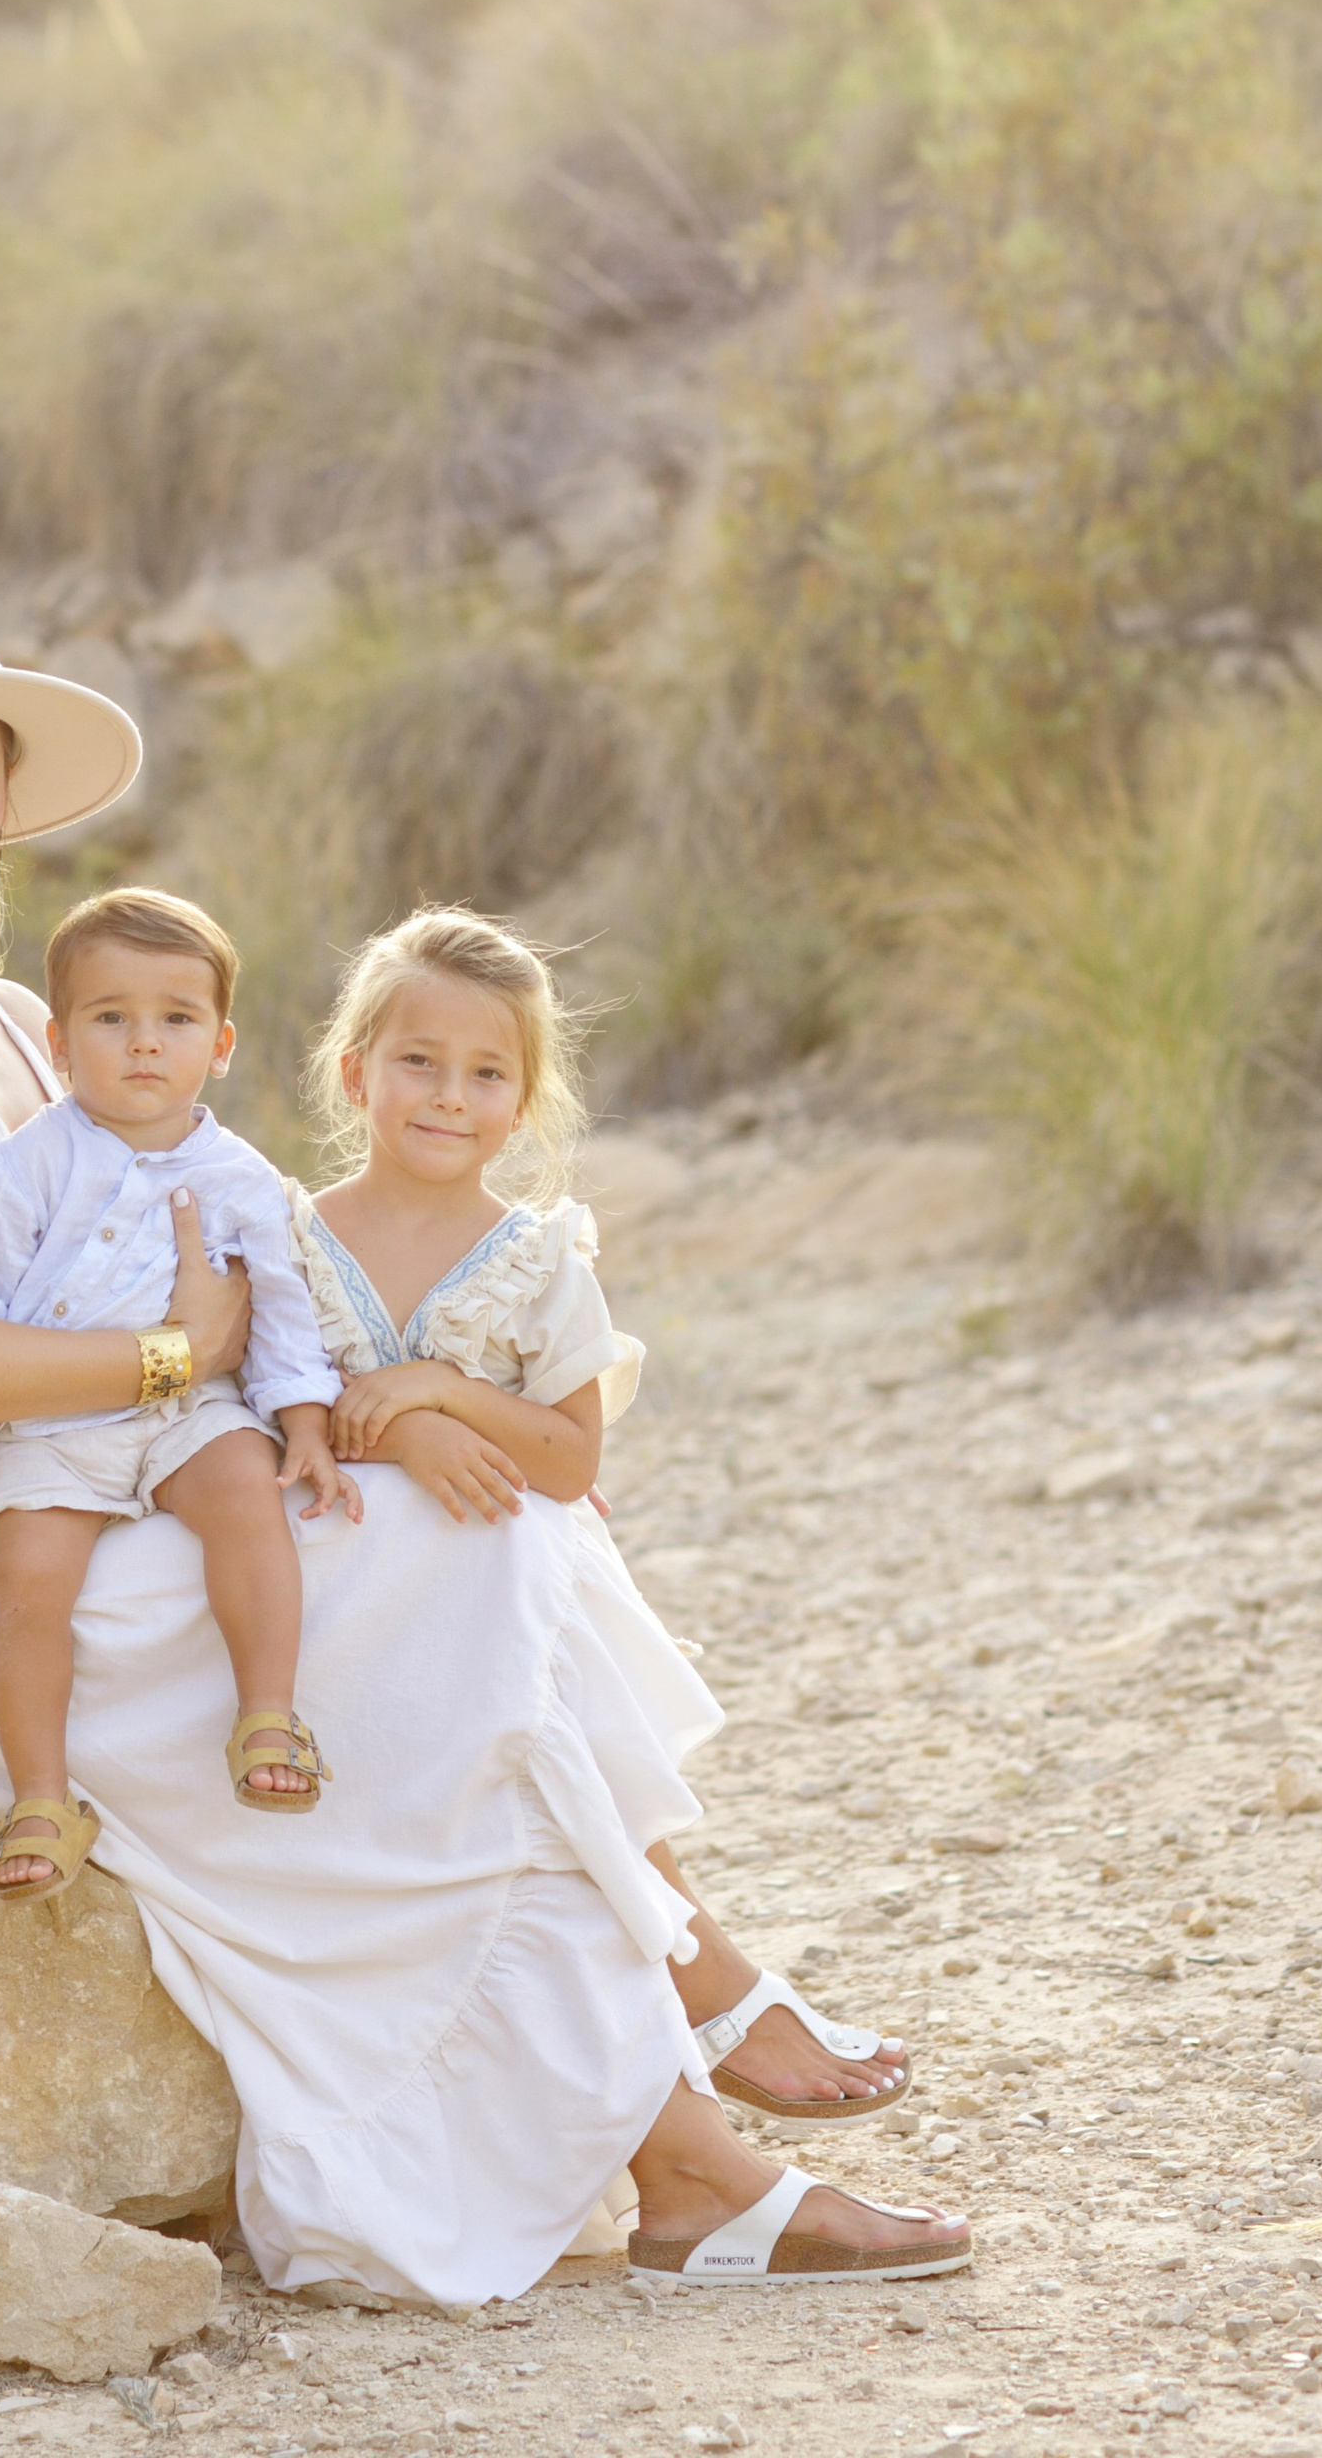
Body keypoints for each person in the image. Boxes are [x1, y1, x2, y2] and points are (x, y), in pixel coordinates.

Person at [0, 596, 967, 2304]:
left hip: (111, 1455)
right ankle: (692, 2079)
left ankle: (686, 2094)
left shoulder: (30, 1013)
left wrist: (325, 1391)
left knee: (479, 1532)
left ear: (7, 798)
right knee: (450, 1566)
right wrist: (183, 1353)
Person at [294, 904, 914, 2141]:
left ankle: (704, 1991)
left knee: (535, 1677)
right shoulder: (294, 1240)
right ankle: (714, 1992)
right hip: (337, 1562)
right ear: (354, 1070)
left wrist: (438, 1388)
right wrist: (403, 1432)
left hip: (489, 1554)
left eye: (486, 1074)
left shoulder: (532, 1258)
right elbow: (274, 1407)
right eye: (417, 1062)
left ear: (521, 1107)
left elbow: (570, 1458)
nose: (447, 1096)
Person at [0, 886, 353, 1897]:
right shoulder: (22, 1165)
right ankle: (40, 1793)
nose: (144, 1043)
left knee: (247, 1486)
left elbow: (282, 1313)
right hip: (51, 1421)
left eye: (176, 1019)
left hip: (184, 1411)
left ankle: (266, 1712)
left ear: (222, 1042)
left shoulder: (242, 1177)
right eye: (111, 1018)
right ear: (61, 1043)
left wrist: (306, 1425)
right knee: (27, 1577)